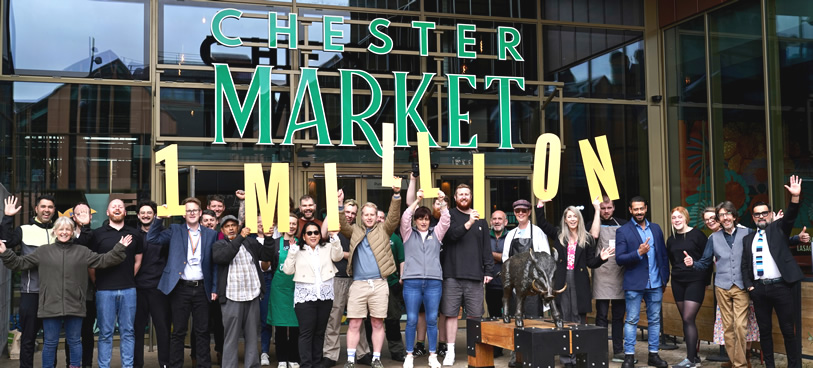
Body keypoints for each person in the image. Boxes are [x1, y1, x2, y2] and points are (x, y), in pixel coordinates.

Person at [0, 216, 130, 368]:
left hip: (75, 304)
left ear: (73, 232)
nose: (64, 232)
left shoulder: (82, 251)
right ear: (54, 231)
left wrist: (119, 247)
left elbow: (103, 260)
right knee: (50, 343)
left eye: (67, 229)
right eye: (60, 229)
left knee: (74, 342)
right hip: (50, 305)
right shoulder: (43, 251)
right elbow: (19, 263)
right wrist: (5, 252)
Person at [537, 200, 612, 368]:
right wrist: (540, 204)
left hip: (579, 281)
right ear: (565, 220)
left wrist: (602, 258)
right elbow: (542, 223)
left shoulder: (586, 239)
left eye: (574, 216)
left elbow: (591, 262)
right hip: (562, 281)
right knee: (563, 318)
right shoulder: (558, 235)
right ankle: (566, 359)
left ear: (579, 219)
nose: (572, 219)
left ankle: (579, 356)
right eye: (569, 216)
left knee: (579, 318)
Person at [147, 197, 219, 368]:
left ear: (200, 213)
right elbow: (152, 239)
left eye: (195, 210)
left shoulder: (211, 234)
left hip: (202, 288)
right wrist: (159, 218)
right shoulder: (174, 230)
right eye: (188, 210)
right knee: (178, 332)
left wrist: (214, 287)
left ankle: (203, 365)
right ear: (184, 214)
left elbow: (215, 264)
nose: (192, 213)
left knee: (202, 332)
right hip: (180, 288)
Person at [741, 175, 804, 368]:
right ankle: (770, 365)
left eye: (764, 213)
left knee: (787, 330)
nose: (761, 216)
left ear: (770, 215)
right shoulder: (748, 239)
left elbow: (791, 215)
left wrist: (795, 197)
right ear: (753, 218)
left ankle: (794, 365)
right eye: (757, 214)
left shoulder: (778, 229)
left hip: (781, 288)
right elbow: (745, 265)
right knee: (765, 332)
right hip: (759, 290)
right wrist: (750, 286)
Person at [339, 181, 401, 368]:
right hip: (358, 284)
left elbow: (393, 217)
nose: (368, 217)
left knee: (377, 322)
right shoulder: (354, 230)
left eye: (372, 215)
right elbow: (342, 223)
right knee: (355, 323)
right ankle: (350, 360)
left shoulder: (384, 230)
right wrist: (340, 205)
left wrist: (396, 195)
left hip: (379, 284)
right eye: (365, 214)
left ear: (376, 217)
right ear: (361, 216)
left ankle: (376, 357)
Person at [75, 199, 144, 368]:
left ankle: (127, 366)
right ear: (108, 212)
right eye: (114, 206)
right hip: (104, 290)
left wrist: (128, 277)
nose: (117, 208)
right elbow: (91, 263)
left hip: (129, 289)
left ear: (125, 212)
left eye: (121, 206)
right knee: (105, 333)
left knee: (128, 332)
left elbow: (138, 260)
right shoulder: (97, 234)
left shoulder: (135, 233)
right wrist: (97, 282)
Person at [691, 201, 752, 368]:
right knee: (728, 327)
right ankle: (739, 364)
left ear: (734, 215)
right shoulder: (713, 238)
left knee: (740, 325)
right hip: (722, 287)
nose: (725, 218)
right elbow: (704, 262)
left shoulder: (747, 232)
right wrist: (692, 263)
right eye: (722, 215)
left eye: (728, 214)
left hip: (741, 286)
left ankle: (739, 363)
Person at [440, 184, 493, 366]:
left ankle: (474, 349)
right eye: (460, 194)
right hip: (452, 275)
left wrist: (488, 270)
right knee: (451, 315)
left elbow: (486, 248)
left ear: (471, 197)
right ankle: (450, 351)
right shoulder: (450, 216)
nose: (464, 197)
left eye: (467, 194)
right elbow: (452, 235)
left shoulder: (481, 221)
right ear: (455, 198)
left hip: (475, 276)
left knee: (475, 315)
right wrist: (469, 222)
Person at [1, 195, 57, 368]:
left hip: (53, 295)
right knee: (27, 339)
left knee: (51, 340)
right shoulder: (24, 229)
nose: (47, 210)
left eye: (50, 207)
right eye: (43, 206)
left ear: (54, 210)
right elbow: (5, 243)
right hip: (30, 293)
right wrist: (7, 218)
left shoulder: (59, 230)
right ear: (36, 209)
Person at [213, 215, 275, 368]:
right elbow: (224, 257)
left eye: (234, 225)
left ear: (238, 227)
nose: (231, 228)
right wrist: (240, 237)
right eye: (227, 226)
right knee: (231, 338)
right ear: (222, 230)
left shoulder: (250, 242)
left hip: (252, 295)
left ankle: (252, 365)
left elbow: (267, 255)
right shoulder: (219, 245)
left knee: (253, 336)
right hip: (231, 298)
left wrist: (268, 238)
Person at [615, 196, 670, 368]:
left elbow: (663, 255)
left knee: (654, 321)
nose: (639, 212)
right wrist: (638, 252)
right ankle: (629, 357)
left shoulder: (656, 229)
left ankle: (653, 355)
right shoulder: (623, 231)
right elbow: (619, 258)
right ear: (630, 210)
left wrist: (664, 279)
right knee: (631, 320)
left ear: (646, 208)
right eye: (635, 209)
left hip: (655, 283)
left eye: (641, 208)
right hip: (634, 283)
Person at [282, 222, 343, 368]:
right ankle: (306, 365)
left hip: (325, 296)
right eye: (309, 233)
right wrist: (292, 252)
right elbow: (287, 271)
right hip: (305, 298)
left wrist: (335, 238)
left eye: (316, 232)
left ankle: (316, 364)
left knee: (320, 332)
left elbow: (338, 256)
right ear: (304, 236)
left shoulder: (327, 247)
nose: (313, 235)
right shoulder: (297, 250)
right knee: (306, 333)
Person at [400, 189, 449, 368]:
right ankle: (409, 355)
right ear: (416, 220)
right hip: (412, 282)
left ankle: (433, 355)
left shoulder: (436, 233)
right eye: (420, 218)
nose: (423, 221)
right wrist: (417, 201)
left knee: (431, 319)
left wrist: (441, 201)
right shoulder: (407, 234)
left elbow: (446, 220)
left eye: (426, 218)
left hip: (433, 282)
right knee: (412, 319)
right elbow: (405, 217)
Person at [322, 199, 372, 368]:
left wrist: (342, 254)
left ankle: (363, 353)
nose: (349, 215)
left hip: (356, 279)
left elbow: (362, 253)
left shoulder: (358, 230)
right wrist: (336, 206)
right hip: (336, 278)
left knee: (358, 318)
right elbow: (322, 234)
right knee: (334, 318)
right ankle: (330, 355)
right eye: (347, 212)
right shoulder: (334, 226)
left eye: (353, 213)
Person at [666, 206, 708, 368]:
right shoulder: (671, 239)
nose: (676, 220)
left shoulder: (698, 235)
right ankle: (694, 357)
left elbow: (707, 260)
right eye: (674, 218)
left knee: (688, 318)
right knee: (686, 319)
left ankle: (690, 360)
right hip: (677, 282)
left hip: (695, 280)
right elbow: (672, 260)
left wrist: (706, 282)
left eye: (679, 217)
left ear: (686, 218)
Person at [587, 196, 628, 362]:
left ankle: (618, 350)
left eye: (609, 208)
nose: (606, 211)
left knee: (618, 316)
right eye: (603, 208)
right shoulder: (592, 224)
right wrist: (596, 211)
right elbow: (593, 236)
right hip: (601, 273)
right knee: (601, 316)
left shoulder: (624, 224)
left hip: (619, 273)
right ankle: (600, 350)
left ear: (614, 208)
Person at [133, 201, 171, 368]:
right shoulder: (133, 235)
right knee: (137, 330)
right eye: (143, 212)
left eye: (149, 212)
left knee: (162, 329)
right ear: (138, 215)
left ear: (155, 215)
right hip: (137, 289)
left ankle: (165, 364)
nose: (146, 215)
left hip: (159, 288)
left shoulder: (165, 234)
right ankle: (136, 364)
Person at [268, 214, 301, 368]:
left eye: (294, 223)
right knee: (280, 326)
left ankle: (293, 357)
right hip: (279, 288)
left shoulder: (303, 243)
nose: (292, 226)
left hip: (297, 287)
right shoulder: (275, 244)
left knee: (296, 325)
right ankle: (282, 358)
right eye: (289, 223)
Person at [71, 203, 97, 368]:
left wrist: (86, 227)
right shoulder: (66, 233)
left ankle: (87, 364)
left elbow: (86, 248)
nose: (81, 215)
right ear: (73, 217)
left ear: (90, 216)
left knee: (87, 332)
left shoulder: (95, 235)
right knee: (72, 333)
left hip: (88, 290)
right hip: (70, 291)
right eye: (78, 213)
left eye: (85, 213)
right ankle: (71, 363)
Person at [486, 211, 506, 328]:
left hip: (508, 285)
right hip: (491, 285)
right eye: (494, 219)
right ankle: (496, 347)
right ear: (491, 221)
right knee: (494, 319)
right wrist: (502, 257)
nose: (497, 221)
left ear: (505, 221)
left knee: (510, 318)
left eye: (500, 219)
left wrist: (491, 254)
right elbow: (482, 257)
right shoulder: (485, 236)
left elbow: (511, 258)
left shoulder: (511, 236)